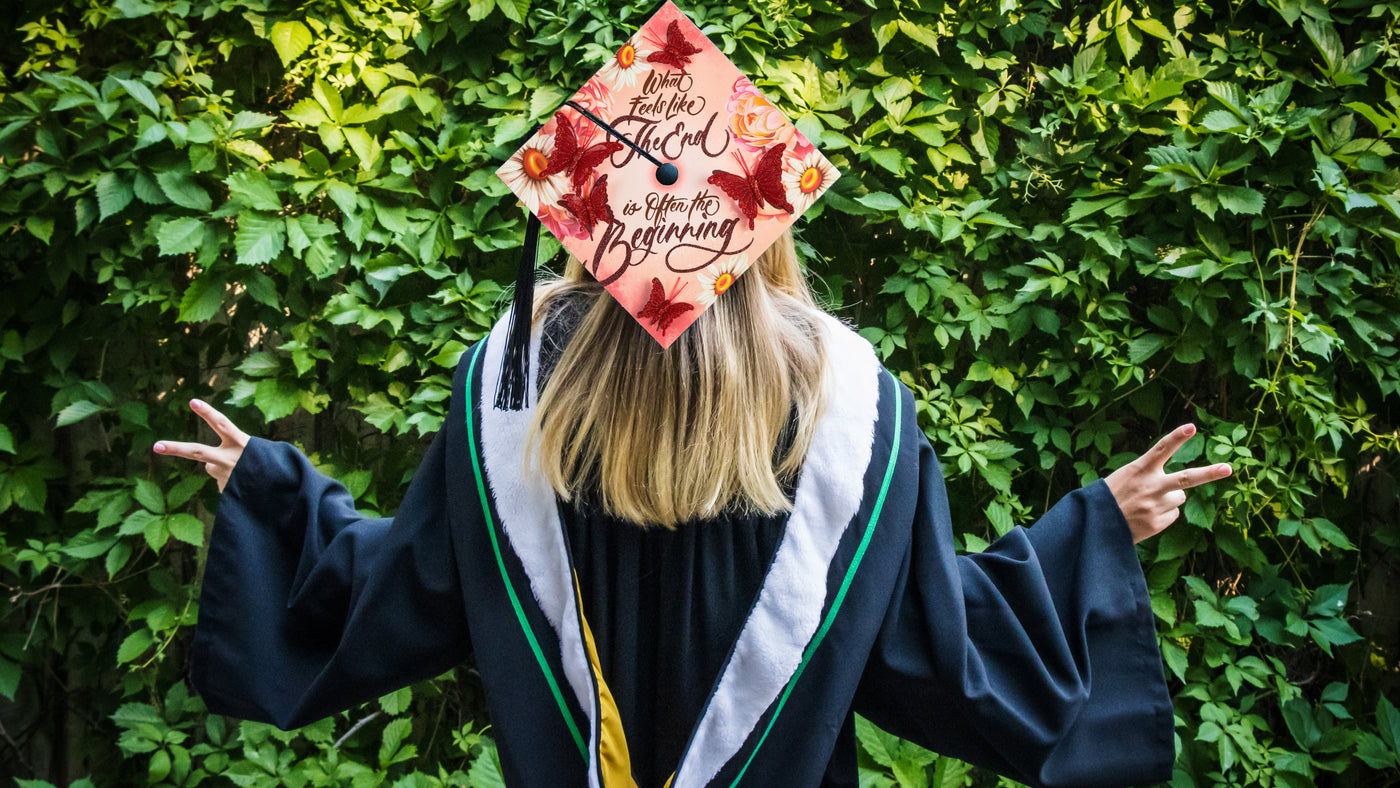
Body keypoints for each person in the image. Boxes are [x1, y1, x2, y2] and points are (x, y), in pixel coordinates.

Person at [154, 231, 1232, 788]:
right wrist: (1089, 528)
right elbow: (929, 636)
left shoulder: (514, 393)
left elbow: (411, 585)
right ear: (766, 222)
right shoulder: (854, 409)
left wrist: (274, 495)